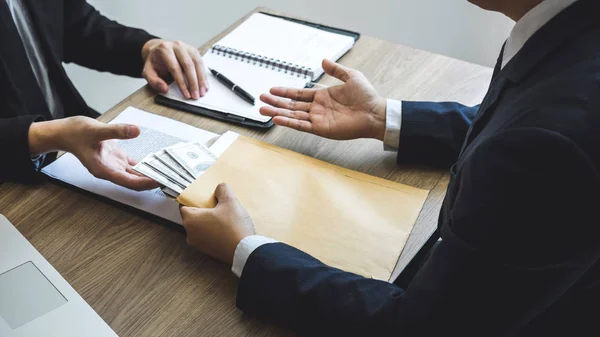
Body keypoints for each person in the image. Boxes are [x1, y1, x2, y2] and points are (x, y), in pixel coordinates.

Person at [180, 0, 600, 335]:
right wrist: (385, 118)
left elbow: (421, 327)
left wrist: (246, 252)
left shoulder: (545, 141)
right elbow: (524, 120)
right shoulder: (570, 33)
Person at [0, 0, 208, 189]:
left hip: (74, 141)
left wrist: (146, 48)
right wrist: (48, 136)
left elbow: (75, 27)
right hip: (13, 180)